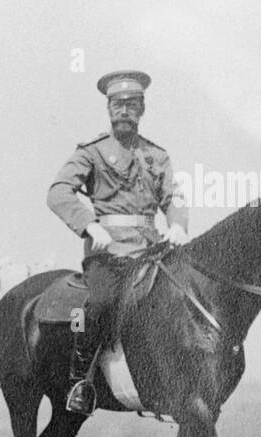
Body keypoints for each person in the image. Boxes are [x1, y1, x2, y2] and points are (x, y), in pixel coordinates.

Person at [46, 70, 190, 415]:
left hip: (151, 250)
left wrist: (178, 225)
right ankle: (80, 381)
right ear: (108, 109)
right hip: (108, 253)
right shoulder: (92, 152)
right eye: (117, 104)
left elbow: (174, 197)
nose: (123, 110)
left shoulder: (157, 155)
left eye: (131, 104)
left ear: (142, 109)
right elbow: (58, 192)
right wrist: (89, 226)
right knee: (100, 303)